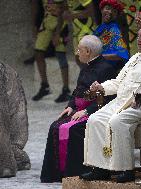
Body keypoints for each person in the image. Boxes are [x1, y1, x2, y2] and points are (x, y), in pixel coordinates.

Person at [81, 25, 141, 183]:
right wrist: (102, 87)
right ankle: (100, 168)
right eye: (138, 36)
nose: (139, 40)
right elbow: (119, 82)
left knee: (117, 122)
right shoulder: (135, 58)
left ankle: (126, 170)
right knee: (94, 119)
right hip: (120, 102)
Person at [40, 35, 117, 183]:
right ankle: (56, 174)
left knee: (74, 129)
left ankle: (73, 173)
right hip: (79, 110)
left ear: (87, 51)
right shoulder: (86, 67)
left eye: (79, 49)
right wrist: (70, 106)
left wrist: (87, 111)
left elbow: (108, 98)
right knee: (55, 126)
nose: (77, 52)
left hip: (96, 112)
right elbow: (77, 91)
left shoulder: (106, 69)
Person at [32, 0, 71, 102]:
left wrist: (58, 33)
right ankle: (45, 86)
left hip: (61, 23)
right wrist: (36, 24)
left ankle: (66, 90)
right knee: (38, 52)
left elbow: (63, 9)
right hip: (47, 21)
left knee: (60, 54)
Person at [54, 0, 98, 68]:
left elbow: (91, 11)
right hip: (77, 32)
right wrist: (57, 34)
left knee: (87, 60)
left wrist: (72, 15)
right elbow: (61, 13)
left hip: (88, 30)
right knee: (79, 60)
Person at [94, 0, 129, 69]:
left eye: (114, 11)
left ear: (117, 15)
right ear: (101, 10)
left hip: (110, 72)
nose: (110, 12)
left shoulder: (114, 30)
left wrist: (98, 57)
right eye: (107, 8)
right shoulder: (100, 28)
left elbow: (122, 55)